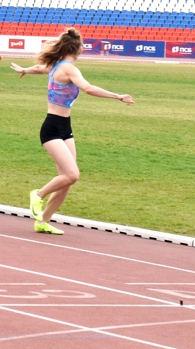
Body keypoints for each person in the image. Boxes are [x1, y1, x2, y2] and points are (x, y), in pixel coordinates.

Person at [11, 27, 134, 235]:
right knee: (72, 174)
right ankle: (38, 195)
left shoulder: (57, 64)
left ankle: (43, 221)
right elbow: (88, 88)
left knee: (67, 180)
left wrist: (25, 69)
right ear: (79, 49)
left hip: (65, 127)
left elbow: (41, 68)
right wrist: (117, 96)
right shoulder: (68, 68)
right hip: (51, 128)